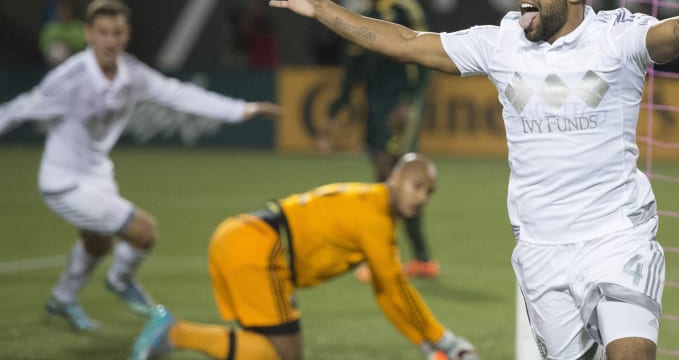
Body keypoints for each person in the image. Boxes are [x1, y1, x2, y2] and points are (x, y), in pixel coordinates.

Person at [267, 0, 679, 360]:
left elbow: (676, 33)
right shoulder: (501, 43)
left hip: (614, 235)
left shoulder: (615, 38)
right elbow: (406, 42)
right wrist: (322, 9)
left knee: (631, 352)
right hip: (540, 249)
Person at [0, 0, 282, 331]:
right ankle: (120, 281)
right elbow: (17, 109)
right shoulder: (71, 77)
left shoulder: (132, 74)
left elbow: (179, 94)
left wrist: (241, 109)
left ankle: (61, 299)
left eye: (117, 33)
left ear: (126, 35)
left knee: (97, 242)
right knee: (143, 232)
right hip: (63, 182)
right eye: (103, 32)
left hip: (97, 175)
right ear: (89, 34)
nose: (110, 41)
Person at [129, 153, 478, 360]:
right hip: (259, 248)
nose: (422, 198)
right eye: (416, 186)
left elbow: (386, 295)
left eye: (429, 192)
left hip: (242, 237)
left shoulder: (369, 203)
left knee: (264, 350)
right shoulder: (375, 218)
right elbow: (396, 288)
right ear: (396, 178)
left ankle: (173, 334)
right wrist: (445, 341)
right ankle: (174, 334)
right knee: (284, 353)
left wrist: (425, 346)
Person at [317, 0, 438, 282]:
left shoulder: (405, 9)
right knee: (389, 178)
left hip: (400, 106)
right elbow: (352, 71)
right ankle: (421, 259)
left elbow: (425, 57)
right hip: (375, 108)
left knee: (392, 175)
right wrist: (335, 111)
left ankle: (382, 256)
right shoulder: (361, 14)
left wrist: (410, 102)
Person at [39, 0, 87, 66]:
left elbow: (83, 43)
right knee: (58, 50)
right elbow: (43, 44)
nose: (63, 12)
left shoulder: (79, 26)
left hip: (75, 57)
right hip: (53, 59)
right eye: (61, 9)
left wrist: (68, 44)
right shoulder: (51, 26)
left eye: (66, 9)